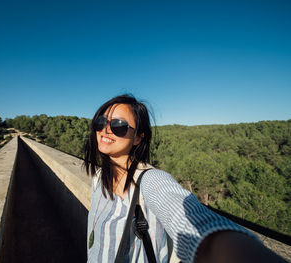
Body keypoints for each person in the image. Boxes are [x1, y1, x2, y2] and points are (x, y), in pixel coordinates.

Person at [84, 94, 286, 263]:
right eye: (101, 121)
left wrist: (223, 246)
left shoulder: (151, 180)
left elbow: (192, 223)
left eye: (119, 125)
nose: (106, 129)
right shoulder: (99, 178)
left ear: (138, 137)